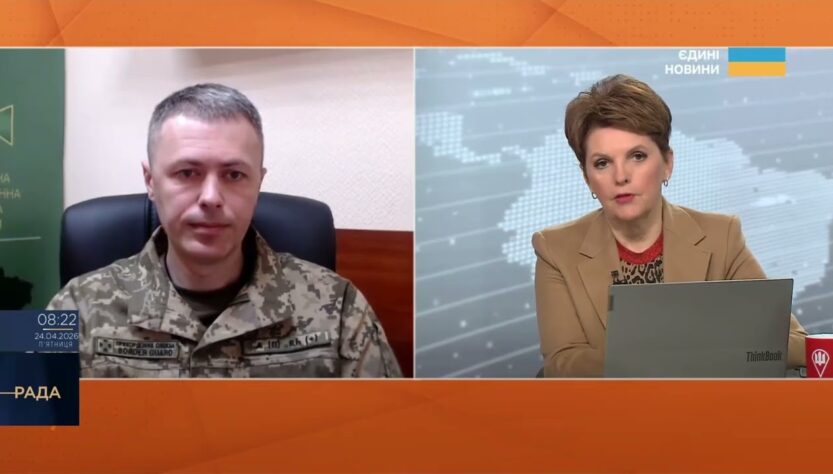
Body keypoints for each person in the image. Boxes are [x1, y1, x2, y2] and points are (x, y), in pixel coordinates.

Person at [48, 83, 402, 378]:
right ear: (150, 181)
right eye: (187, 173)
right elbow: (25, 427)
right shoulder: (72, 306)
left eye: (234, 175)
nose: (211, 198)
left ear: (258, 183)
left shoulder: (340, 307)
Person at [532, 74, 807, 377]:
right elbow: (563, 364)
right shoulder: (556, 249)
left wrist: (674, 352)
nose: (620, 176)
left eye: (637, 156)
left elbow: (795, 344)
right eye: (602, 163)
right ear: (587, 178)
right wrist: (693, 349)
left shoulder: (720, 237)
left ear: (667, 164)